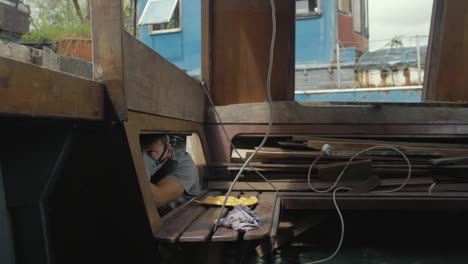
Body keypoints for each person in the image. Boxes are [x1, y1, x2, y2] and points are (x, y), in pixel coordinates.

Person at [140, 134, 200, 215]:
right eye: (140, 151)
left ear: (168, 151)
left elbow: (157, 200)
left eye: (151, 152)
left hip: (182, 217)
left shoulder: (183, 164)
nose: (143, 157)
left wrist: (139, 172)